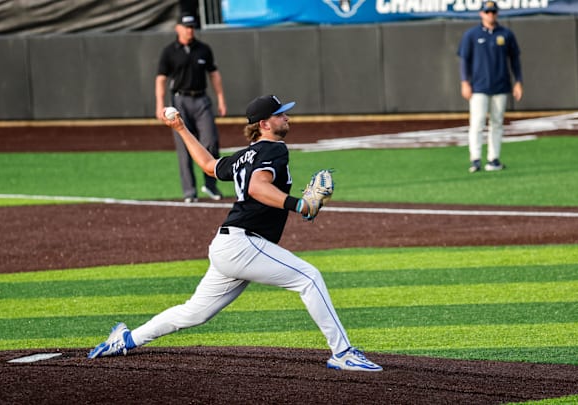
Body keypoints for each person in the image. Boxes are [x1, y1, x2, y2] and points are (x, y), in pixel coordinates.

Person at [87, 94, 383, 372]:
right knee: (309, 278)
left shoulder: (245, 155)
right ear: (265, 124)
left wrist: (180, 127)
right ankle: (343, 353)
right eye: (281, 114)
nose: (288, 117)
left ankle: (126, 339)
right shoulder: (274, 149)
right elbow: (257, 187)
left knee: (194, 313)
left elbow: (208, 165)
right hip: (243, 243)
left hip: (228, 245)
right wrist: (300, 205)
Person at [155, 13, 227, 202]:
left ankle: (210, 185)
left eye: (192, 27)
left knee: (210, 141)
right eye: (186, 27)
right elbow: (161, 78)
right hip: (180, 101)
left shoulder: (203, 49)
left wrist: (221, 99)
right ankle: (189, 192)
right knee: (184, 147)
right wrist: (159, 104)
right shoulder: (169, 51)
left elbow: (214, 74)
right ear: (177, 28)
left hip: (201, 99)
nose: (190, 30)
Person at [457, 1, 523, 173]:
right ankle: (475, 159)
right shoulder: (472, 35)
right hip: (478, 86)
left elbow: (515, 59)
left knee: (497, 123)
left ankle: (493, 159)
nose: (490, 15)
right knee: (477, 123)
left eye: (493, 12)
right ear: (481, 13)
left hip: (501, 85)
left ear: (497, 13)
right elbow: (464, 60)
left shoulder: (505, 34)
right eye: (487, 12)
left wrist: (518, 82)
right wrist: (465, 82)